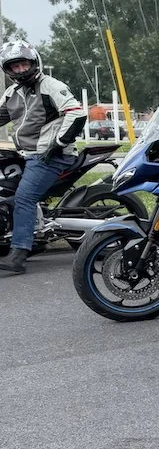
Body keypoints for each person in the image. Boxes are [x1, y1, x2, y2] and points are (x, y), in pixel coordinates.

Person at [0, 41, 85, 275]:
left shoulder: (50, 86)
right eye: (14, 66)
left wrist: (59, 144)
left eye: (23, 64)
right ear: (8, 70)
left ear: (34, 62)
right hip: (28, 154)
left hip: (50, 156)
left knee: (24, 198)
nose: (20, 70)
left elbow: (77, 114)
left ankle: (18, 255)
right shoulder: (12, 93)